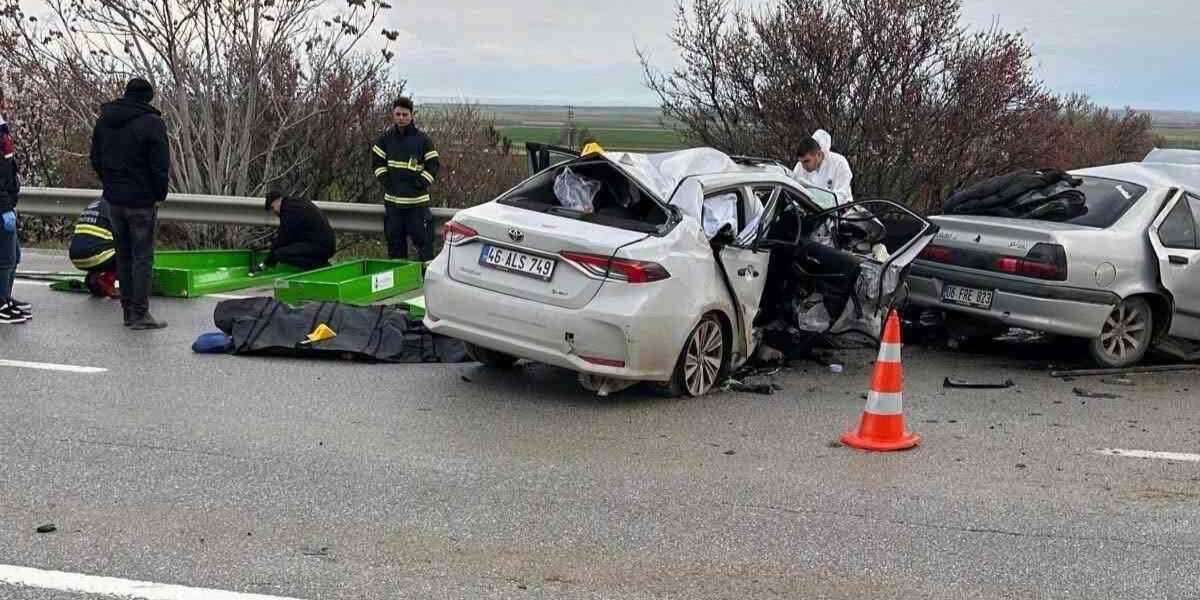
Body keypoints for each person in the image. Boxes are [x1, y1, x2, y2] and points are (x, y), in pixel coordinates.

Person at [90, 77, 170, 330]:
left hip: (114, 199)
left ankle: (127, 311)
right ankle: (140, 313)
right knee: (142, 257)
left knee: (123, 255)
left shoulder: (105, 120)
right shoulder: (152, 123)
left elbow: (95, 158)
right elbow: (160, 165)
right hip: (141, 201)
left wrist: (110, 183)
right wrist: (159, 194)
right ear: (148, 98)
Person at [371, 97, 441, 260]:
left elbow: (433, 165)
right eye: (398, 114)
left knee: (424, 250)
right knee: (395, 251)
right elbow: (376, 162)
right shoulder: (385, 139)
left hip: (417, 206)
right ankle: (399, 277)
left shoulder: (423, 140)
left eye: (404, 114)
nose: (401, 118)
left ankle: (424, 276)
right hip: (393, 206)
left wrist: (420, 183)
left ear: (412, 115)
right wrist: (387, 182)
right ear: (393, 115)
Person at [260, 190, 336, 271]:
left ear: (277, 201)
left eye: (272, 207)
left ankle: (317, 267)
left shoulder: (288, 211)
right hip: (326, 244)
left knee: (280, 254)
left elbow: (283, 238)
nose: (274, 212)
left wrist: (267, 262)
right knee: (287, 249)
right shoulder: (295, 203)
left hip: (320, 246)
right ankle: (319, 263)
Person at [0, 115, 29, 324]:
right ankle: (1, 302)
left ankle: (5, 298)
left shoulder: (3, 132)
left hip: (7, 202)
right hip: (2, 204)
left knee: (13, 256)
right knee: (6, 258)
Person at [68, 197, 119, 298]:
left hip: (76, 257)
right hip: (96, 256)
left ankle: (94, 278)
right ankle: (107, 279)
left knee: (102, 243)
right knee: (132, 252)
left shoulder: (96, 203)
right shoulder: (119, 204)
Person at [792, 129, 854, 204]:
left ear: (819, 154)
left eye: (807, 161)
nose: (803, 166)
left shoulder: (839, 163)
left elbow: (840, 196)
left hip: (840, 209)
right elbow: (794, 189)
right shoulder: (800, 166)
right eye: (801, 162)